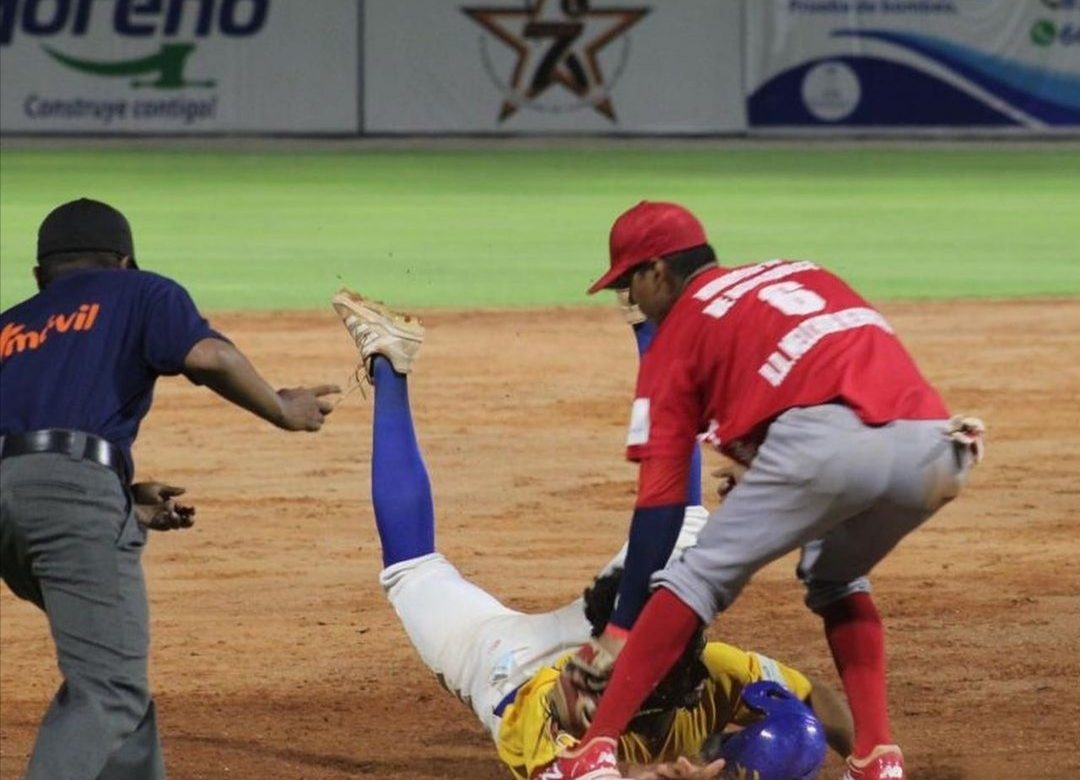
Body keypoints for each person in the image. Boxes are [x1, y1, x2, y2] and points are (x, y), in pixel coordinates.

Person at [330, 288, 855, 780]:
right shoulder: (549, 715)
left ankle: (390, 361)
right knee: (414, 571)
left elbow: (819, 707)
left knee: (415, 570)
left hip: (530, 649)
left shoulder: (700, 668)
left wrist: (865, 756)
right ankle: (647, 321)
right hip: (512, 667)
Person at [540, 201, 985, 780]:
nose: (631, 301)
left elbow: (663, 503)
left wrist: (619, 630)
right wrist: (772, 463)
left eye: (629, 284)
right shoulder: (799, 271)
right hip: (938, 450)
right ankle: (877, 758)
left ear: (656, 272)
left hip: (823, 450)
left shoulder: (676, 337)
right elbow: (844, 381)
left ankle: (593, 751)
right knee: (834, 575)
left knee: (695, 579)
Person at [0, 198, 339, 780]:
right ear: (124, 263)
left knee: (116, 678)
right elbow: (208, 356)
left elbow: (31, 449)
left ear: (40, 276)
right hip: (69, 501)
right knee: (108, 689)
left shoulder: (9, 325)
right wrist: (282, 409)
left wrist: (120, 497)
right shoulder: (141, 292)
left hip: (16, 504)